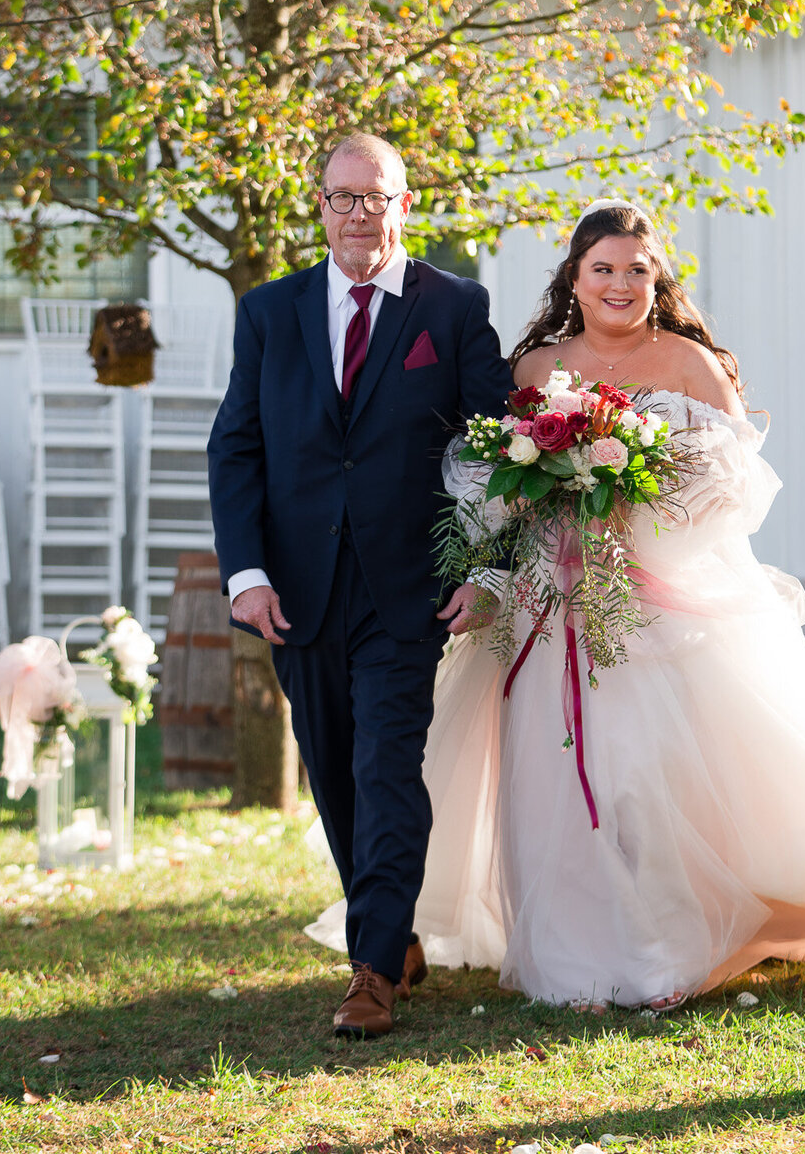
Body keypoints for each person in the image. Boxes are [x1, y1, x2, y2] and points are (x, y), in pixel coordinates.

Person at [305, 196, 805, 1010]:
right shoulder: (532, 370)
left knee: (640, 777)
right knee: (551, 781)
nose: (621, 284)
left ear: (657, 277)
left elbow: (736, 487)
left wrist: (638, 508)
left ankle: (671, 942)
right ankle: (580, 953)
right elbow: (483, 474)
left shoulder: (689, 365)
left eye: (638, 269)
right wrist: (530, 509)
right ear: (575, 277)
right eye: (603, 269)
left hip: (654, 604)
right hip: (546, 603)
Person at [208, 133, 512, 1039]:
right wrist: (247, 575)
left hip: (407, 590)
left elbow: (497, 447)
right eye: (341, 198)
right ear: (322, 205)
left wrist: (487, 568)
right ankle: (393, 929)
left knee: (386, 769)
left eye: (374, 197)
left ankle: (371, 971)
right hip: (295, 592)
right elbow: (237, 447)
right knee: (336, 775)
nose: (357, 214)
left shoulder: (454, 307)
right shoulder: (269, 312)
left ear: (404, 203)